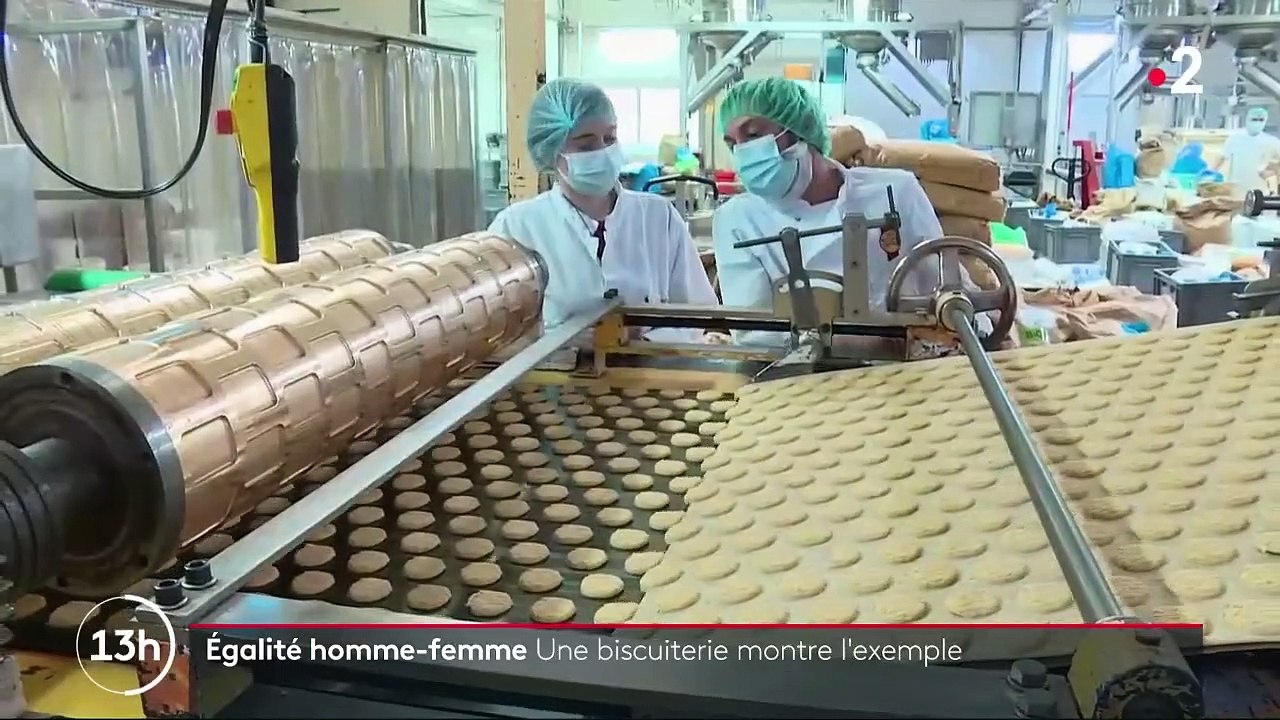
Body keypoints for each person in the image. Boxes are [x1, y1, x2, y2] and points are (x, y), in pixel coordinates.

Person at [711, 78, 989, 347]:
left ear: (799, 130)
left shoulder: (895, 191)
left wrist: (983, 329)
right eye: (732, 143)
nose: (743, 152)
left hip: (903, 365)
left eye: (753, 135)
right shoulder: (736, 221)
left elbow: (943, 283)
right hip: (798, 376)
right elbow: (754, 333)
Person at [488, 78, 717, 343]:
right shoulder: (516, 229)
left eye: (610, 138)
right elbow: (497, 333)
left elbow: (698, 313)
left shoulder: (657, 217)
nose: (603, 152)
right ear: (552, 152)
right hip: (556, 379)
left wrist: (642, 340)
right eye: (586, 145)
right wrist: (569, 340)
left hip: (658, 375)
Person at [1214, 107, 1280, 195]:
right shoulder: (1235, 139)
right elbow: (1221, 158)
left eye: (1261, 120)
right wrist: (1210, 174)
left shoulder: (1272, 142)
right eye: (1254, 119)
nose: (1257, 122)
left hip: (1260, 191)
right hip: (1236, 189)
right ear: (1247, 119)